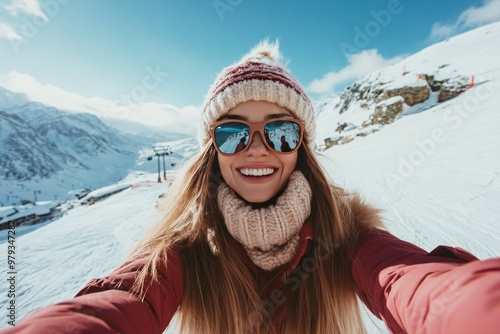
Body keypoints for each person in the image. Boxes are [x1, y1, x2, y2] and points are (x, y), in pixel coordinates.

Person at [2, 40, 499, 334]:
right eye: (232, 131)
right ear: (212, 149)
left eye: (280, 130)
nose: (257, 148)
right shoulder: (183, 249)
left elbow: (420, 285)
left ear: (300, 146)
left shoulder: (348, 237)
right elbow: (124, 302)